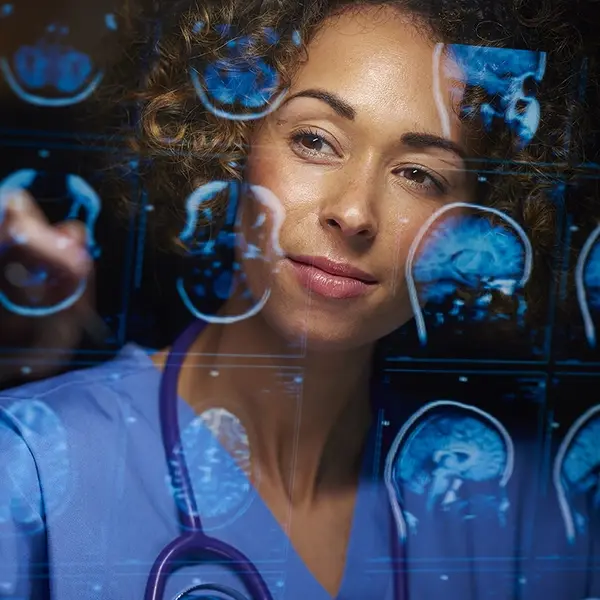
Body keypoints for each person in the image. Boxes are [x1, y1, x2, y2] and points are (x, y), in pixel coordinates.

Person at [0, 0, 595, 598]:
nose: (354, 212)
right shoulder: (29, 467)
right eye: (315, 140)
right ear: (231, 142)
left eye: (419, 175)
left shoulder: (524, 515)